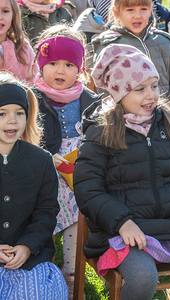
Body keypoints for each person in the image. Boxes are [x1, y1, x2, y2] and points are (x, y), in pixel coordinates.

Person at [73, 44, 170, 300]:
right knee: (144, 277)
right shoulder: (101, 133)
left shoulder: (168, 125)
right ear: (118, 94)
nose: (151, 96)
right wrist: (122, 222)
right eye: (140, 89)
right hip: (123, 233)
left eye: (154, 86)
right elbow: (87, 189)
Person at [31, 24, 107, 299]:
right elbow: (25, 137)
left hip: (79, 181)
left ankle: (73, 278)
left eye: (68, 64)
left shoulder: (91, 101)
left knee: (78, 227)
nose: (60, 71)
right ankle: (43, 278)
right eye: (52, 63)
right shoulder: (31, 99)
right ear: (40, 66)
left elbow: (101, 139)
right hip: (44, 179)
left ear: (80, 69)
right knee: (40, 228)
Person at [0, 72, 68, 300]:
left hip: (30, 257)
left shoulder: (41, 160)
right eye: (2, 114)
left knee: (38, 292)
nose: (12, 120)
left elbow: (46, 213)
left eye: (19, 113)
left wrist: (27, 246)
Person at [92, 0, 170, 102]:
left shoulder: (162, 40)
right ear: (116, 12)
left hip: (166, 112)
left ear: (150, 10)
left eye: (143, 9)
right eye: (130, 10)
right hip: (127, 115)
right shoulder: (109, 46)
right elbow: (104, 88)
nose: (138, 16)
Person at [0, 0, 37, 84]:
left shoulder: (24, 48)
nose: (0, 17)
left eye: (5, 11)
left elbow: (34, 82)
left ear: (13, 14)